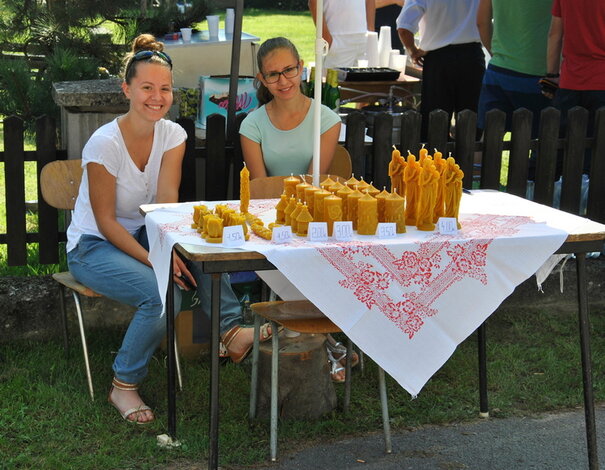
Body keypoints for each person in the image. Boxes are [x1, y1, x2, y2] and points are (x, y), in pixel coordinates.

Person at [67, 34, 268, 424]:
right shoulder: (103, 143)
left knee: (196, 248)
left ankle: (231, 331)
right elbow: (106, 222)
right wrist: (157, 259)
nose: (156, 97)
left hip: (145, 229)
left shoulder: (173, 134)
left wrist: (173, 246)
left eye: (164, 88)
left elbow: (164, 204)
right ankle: (123, 385)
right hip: (93, 245)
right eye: (146, 87)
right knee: (160, 297)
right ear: (126, 89)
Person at [239, 37, 357, 382]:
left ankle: (314, 335)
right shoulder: (253, 124)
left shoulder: (326, 118)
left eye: (289, 70)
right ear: (261, 79)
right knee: (278, 254)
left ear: (301, 67)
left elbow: (314, 180)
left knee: (316, 255)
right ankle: (329, 342)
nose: (283, 80)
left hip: (314, 217)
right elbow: (260, 191)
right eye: (273, 74)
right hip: (270, 219)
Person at [397, 0, 485, 140]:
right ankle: (467, 160)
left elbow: (403, 27)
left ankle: (435, 160)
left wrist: (413, 51)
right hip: (472, 57)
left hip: (439, 60)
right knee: (470, 121)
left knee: (434, 124)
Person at [545, 0, 605, 175]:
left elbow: (555, 34)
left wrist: (551, 75)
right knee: (597, 155)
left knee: (560, 150)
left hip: (570, 82)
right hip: (601, 82)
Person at [476, 0, 552, 137]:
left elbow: (482, 22)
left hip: (499, 70)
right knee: (543, 144)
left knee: (488, 141)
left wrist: (496, 54)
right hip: (540, 74)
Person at [309, 0, 375, 69]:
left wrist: (371, 33)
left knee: (370, 78)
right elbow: (314, 2)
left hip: (364, 40)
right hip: (337, 41)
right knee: (335, 79)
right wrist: (328, 40)